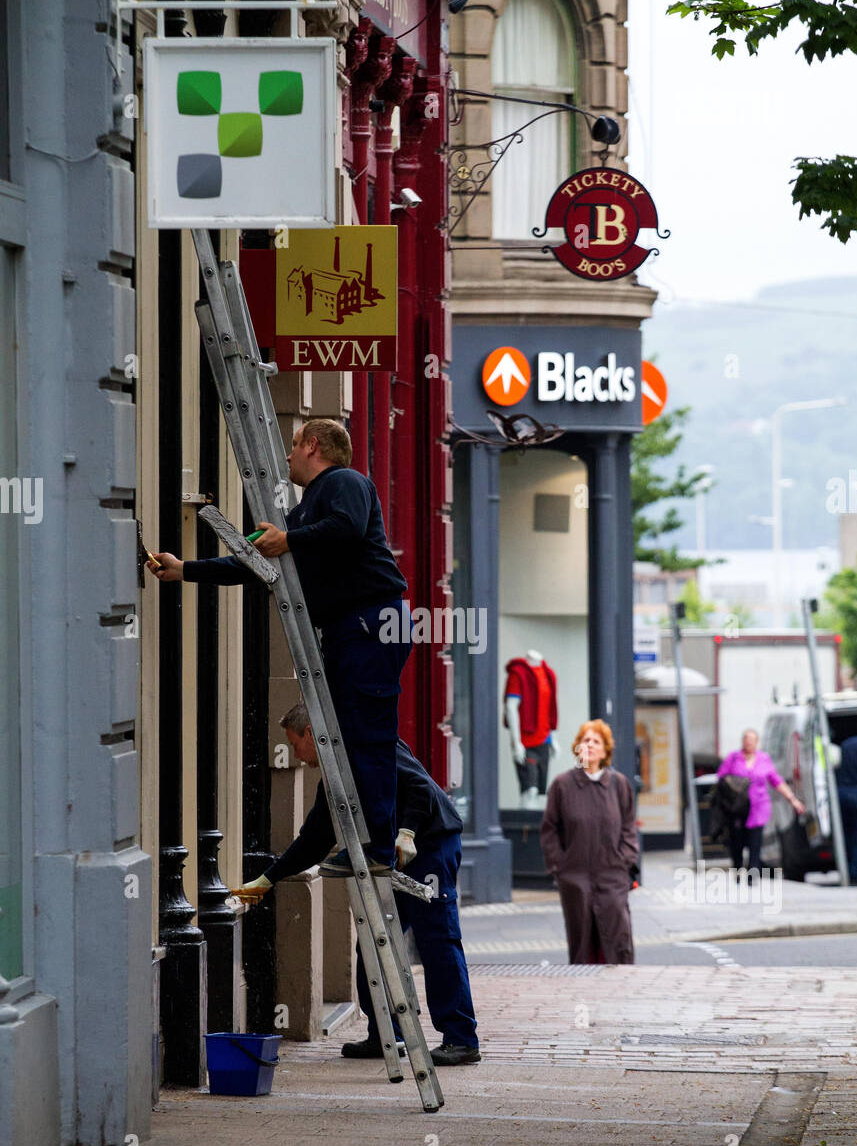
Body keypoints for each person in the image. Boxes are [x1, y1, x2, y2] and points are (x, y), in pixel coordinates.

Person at [147, 418, 412, 874]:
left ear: (313, 445)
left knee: (367, 738)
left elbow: (347, 529)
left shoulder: (345, 482)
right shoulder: (309, 510)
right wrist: (184, 570)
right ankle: (370, 845)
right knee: (351, 739)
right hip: (355, 628)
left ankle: (377, 849)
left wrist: (287, 538)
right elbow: (255, 563)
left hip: (370, 623)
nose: (287, 457)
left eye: (293, 446)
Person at [235, 701, 481, 1066]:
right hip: (390, 854)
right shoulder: (333, 777)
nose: (298, 756)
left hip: (430, 844)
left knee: (437, 939)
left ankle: (461, 1040)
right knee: (372, 939)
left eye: (296, 745)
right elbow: (314, 840)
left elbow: (421, 790)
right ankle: (384, 1032)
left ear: (309, 733)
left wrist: (408, 831)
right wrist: (266, 879)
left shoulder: (368, 745)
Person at [540, 719, 639, 965]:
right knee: (581, 941)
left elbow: (629, 827)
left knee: (618, 938)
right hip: (575, 876)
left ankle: (620, 989)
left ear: (605, 750)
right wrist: (560, 866)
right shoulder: (562, 785)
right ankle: (583, 992)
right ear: (577, 748)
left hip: (613, 874)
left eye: (596, 741)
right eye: (586, 740)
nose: (590, 745)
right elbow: (549, 829)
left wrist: (624, 859)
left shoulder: (619, 785)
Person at [716, 728, 804, 875]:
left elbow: (776, 781)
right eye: (746, 739)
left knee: (755, 843)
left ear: (757, 742)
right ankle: (738, 870)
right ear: (742, 741)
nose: (749, 743)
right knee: (737, 843)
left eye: (752, 740)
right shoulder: (733, 758)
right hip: (736, 808)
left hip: (758, 808)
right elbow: (721, 779)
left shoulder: (764, 759)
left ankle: (752, 874)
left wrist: (793, 800)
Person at [834, 730, 857, 884]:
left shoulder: (846, 744)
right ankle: (854, 872)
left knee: (845, 833)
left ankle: (845, 867)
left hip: (840, 794)